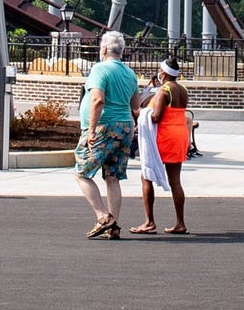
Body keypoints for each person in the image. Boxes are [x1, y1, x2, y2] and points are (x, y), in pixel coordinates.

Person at [73, 30, 140, 239]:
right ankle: (114, 226)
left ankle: (103, 217)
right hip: (125, 127)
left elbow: (97, 100)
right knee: (113, 177)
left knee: (82, 171)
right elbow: (136, 106)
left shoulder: (100, 69)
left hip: (105, 127)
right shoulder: (130, 73)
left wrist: (91, 130)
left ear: (103, 49)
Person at [130, 58, 191, 235]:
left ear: (163, 73)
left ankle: (149, 222)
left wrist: (140, 114)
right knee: (175, 181)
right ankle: (180, 223)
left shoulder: (163, 91)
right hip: (180, 135)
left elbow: (156, 117)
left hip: (164, 136)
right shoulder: (183, 89)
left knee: (146, 176)